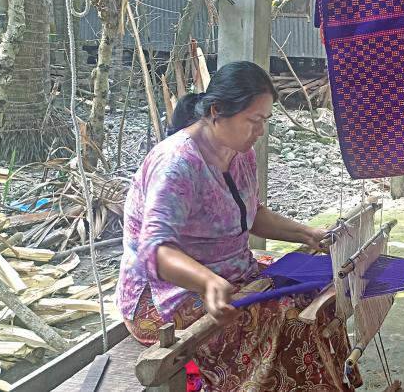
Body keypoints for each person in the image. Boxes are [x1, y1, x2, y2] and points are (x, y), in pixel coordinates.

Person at [116, 61, 357, 391]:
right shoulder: (176, 165)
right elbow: (155, 252)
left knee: (322, 295)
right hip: (165, 298)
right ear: (217, 111)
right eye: (254, 121)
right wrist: (207, 282)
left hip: (230, 276)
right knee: (292, 321)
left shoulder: (240, 153)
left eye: (264, 121)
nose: (260, 131)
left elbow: (250, 214)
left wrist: (307, 234)